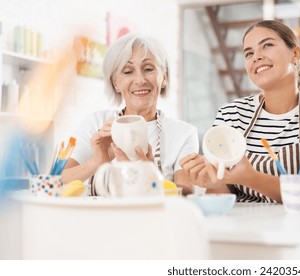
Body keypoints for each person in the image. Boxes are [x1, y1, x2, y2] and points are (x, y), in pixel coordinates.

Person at [179, 20, 300, 203]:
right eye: (249, 53)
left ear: (295, 54)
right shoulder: (231, 114)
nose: (256, 57)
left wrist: (249, 177)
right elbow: (222, 196)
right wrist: (212, 182)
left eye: (267, 45)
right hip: (243, 226)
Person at [62, 33, 199, 194]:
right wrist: (96, 161)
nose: (140, 80)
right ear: (116, 84)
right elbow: (57, 181)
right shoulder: (95, 124)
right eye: (128, 72)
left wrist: (150, 173)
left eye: (148, 69)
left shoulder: (184, 133)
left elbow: (186, 192)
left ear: (164, 78)